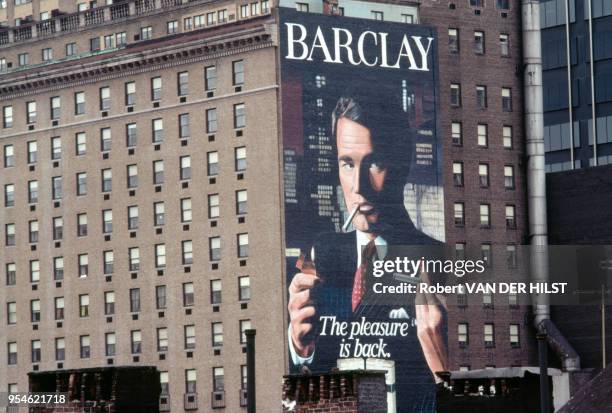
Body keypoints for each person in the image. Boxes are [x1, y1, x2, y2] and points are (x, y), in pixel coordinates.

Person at [287, 89, 447, 411]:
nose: (358, 186)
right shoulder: (320, 256)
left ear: (402, 164)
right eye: (347, 163)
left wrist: (441, 366)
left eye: (373, 163)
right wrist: (300, 348)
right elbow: (302, 401)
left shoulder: (438, 261)